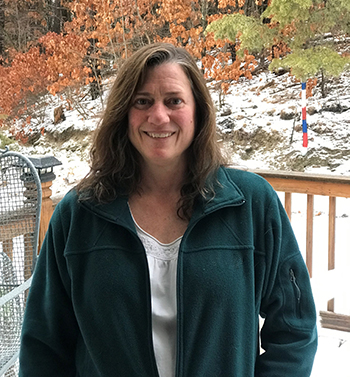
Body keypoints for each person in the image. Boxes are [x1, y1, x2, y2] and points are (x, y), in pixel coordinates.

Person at [19, 43, 317, 377]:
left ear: (197, 111)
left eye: (174, 100)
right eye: (142, 101)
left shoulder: (250, 205)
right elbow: (43, 345)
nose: (158, 116)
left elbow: (295, 329)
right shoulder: (79, 215)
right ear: (124, 113)